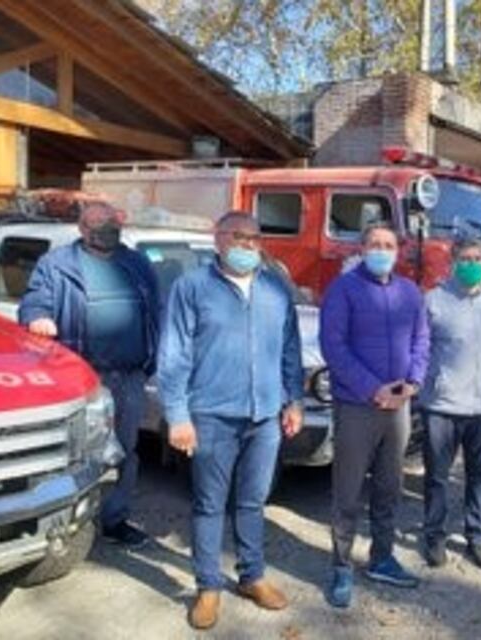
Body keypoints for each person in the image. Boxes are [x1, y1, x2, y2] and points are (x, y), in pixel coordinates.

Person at [159, 212, 303, 630]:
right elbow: (174, 356)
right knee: (209, 503)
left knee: (253, 501)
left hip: (264, 416)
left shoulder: (275, 288)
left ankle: (251, 576)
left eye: (254, 238)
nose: (247, 245)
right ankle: (207, 586)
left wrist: (293, 400)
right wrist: (178, 416)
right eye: (238, 237)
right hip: (212, 415)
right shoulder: (193, 288)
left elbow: (289, 350)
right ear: (218, 239)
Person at [19, 202, 159, 549]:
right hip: (83, 378)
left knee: (125, 451)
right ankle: (68, 526)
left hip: (129, 376)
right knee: (78, 454)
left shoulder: (137, 263)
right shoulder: (57, 264)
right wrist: (38, 317)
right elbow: (33, 302)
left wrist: (154, 358)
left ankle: (114, 520)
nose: (108, 228)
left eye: (112, 221)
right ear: (82, 228)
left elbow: (156, 309)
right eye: (99, 223)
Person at [320, 222, 429, 608]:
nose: (383, 250)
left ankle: (382, 557)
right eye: (375, 244)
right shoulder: (344, 290)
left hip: (398, 406)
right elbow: (333, 346)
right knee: (347, 492)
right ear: (362, 249)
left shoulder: (409, 292)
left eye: (389, 245)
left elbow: (421, 338)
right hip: (357, 406)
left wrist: (413, 382)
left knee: (388, 487)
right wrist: (372, 388)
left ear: (398, 251)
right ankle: (341, 566)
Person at [420, 236, 481, 570]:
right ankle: (435, 537)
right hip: (442, 405)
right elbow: (420, 350)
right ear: (453, 262)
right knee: (437, 477)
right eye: (466, 258)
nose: (473, 264)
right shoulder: (434, 300)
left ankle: (477, 536)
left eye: (478, 258)